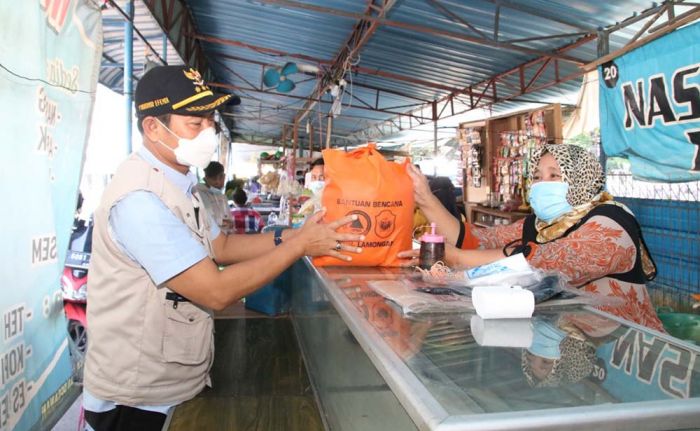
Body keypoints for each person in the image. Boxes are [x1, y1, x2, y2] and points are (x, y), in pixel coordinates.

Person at [83, 65, 364, 430]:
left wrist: (291, 235)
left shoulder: (181, 182)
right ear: (153, 127)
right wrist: (298, 248)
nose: (209, 133)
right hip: (135, 395)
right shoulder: (140, 200)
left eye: (211, 122)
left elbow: (223, 246)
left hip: (168, 378)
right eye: (194, 124)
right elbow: (215, 291)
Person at [400, 144, 664, 331]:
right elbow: (475, 241)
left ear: (582, 180)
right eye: (537, 177)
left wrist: (456, 258)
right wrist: (425, 197)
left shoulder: (612, 223)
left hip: (630, 353)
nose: (542, 183)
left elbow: (549, 261)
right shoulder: (541, 224)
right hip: (571, 343)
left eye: (555, 176)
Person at [194, 161, 233, 234]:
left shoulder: (220, 194)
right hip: (213, 239)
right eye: (214, 179)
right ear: (206, 178)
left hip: (226, 236)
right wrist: (223, 222)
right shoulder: (200, 193)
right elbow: (205, 218)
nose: (218, 182)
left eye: (222, 177)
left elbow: (227, 217)